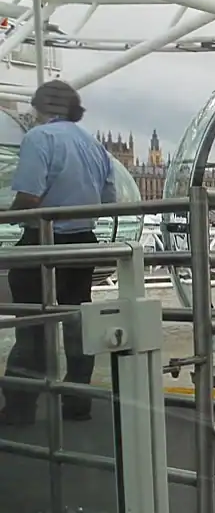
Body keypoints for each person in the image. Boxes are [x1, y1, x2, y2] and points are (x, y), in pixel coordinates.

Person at [0, 80, 116, 426]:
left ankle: (20, 407)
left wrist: (9, 211)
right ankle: (77, 403)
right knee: (77, 324)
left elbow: (30, 197)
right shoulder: (94, 145)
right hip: (83, 243)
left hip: (44, 242)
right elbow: (109, 201)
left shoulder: (39, 139)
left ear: (40, 108)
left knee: (32, 326)